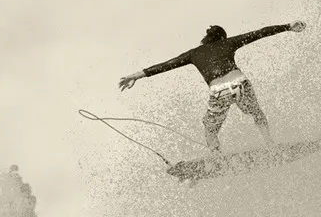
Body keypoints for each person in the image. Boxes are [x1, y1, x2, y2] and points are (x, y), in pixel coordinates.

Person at [118, 21, 306, 155]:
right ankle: (270, 144)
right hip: (240, 83)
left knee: (210, 129)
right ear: (222, 37)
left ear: (205, 39)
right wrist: (288, 27)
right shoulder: (229, 42)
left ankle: (216, 158)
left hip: (218, 92)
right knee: (257, 114)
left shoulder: (193, 53)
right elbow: (258, 33)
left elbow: (167, 64)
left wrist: (135, 75)